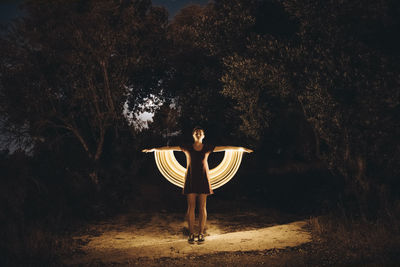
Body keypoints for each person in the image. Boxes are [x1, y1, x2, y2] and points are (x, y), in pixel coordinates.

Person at [142, 126, 253, 244]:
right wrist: (154, 149)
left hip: (204, 178)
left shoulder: (208, 147)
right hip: (190, 178)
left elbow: (225, 148)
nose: (198, 133)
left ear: (203, 136)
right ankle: (191, 234)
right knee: (191, 207)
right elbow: (169, 148)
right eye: (196, 132)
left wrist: (241, 149)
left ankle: (201, 234)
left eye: (200, 132)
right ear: (193, 135)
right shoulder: (187, 147)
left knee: (202, 207)